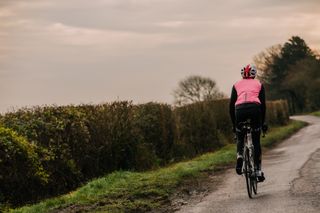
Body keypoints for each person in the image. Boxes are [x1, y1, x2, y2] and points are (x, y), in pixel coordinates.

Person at [229, 64, 266, 182]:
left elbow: (231, 105)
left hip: (239, 110)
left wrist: (234, 125)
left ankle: (240, 155)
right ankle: (258, 170)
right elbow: (263, 105)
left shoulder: (236, 85)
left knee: (240, 137)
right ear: (254, 74)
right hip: (255, 109)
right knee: (256, 140)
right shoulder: (259, 84)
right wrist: (263, 123)